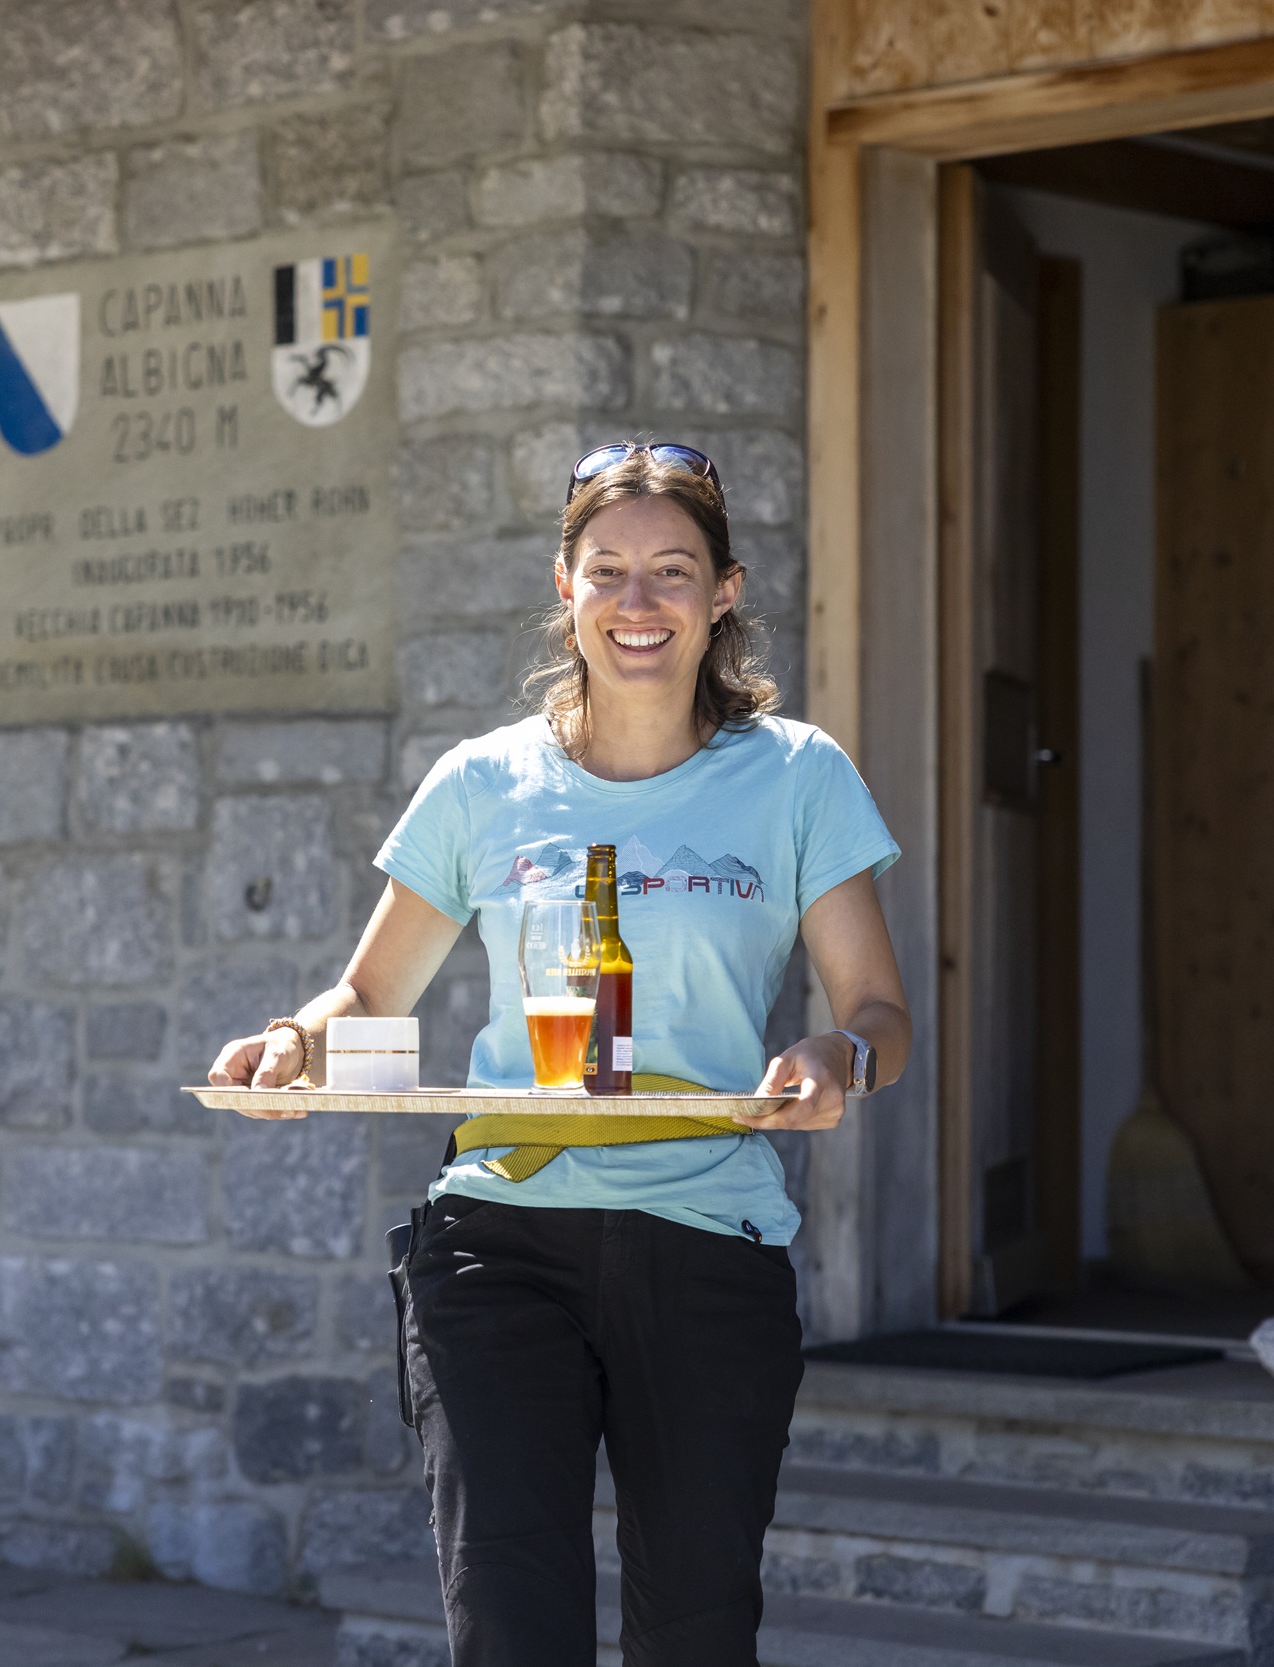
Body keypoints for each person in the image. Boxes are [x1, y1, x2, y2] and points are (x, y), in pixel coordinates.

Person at [209, 442, 912, 1667]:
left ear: (726, 590)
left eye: (673, 572)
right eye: (608, 571)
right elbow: (370, 994)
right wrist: (289, 1045)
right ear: (566, 584)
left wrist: (837, 1052)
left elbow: (882, 1013)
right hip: (498, 1245)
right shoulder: (483, 782)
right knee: (511, 1630)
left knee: (694, 1635)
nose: (638, 604)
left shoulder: (796, 774)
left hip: (709, 1242)